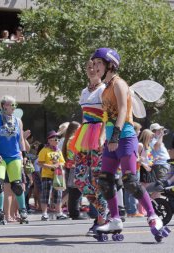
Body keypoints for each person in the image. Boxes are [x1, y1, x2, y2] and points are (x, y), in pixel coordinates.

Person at [92, 48, 168, 240]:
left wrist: (115, 136)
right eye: (95, 63)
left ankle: (153, 216)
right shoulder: (105, 88)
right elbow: (107, 116)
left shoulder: (119, 83)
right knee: (105, 180)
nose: (96, 67)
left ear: (110, 64)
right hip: (111, 140)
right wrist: (104, 137)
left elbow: (124, 110)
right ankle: (115, 219)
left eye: (99, 63)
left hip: (125, 138)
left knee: (130, 181)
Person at [70, 59, 108, 235]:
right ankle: (103, 210)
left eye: (94, 67)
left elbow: (107, 115)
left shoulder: (104, 89)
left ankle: (101, 218)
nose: (92, 70)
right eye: (88, 67)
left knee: (96, 178)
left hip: (99, 133)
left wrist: (103, 136)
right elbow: (84, 115)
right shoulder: (84, 91)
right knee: (79, 179)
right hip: (85, 134)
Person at [0, 95, 28, 224]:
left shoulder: (18, 121)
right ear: (4, 106)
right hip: (0, 156)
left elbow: (21, 139)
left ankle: (22, 210)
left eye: (14, 104)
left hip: (14, 156)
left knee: (17, 185)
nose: (13, 107)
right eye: (11, 104)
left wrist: (25, 155)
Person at [38, 130, 67, 221]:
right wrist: (51, 166)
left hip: (57, 176)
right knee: (45, 195)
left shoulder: (58, 151)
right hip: (47, 175)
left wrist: (60, 166)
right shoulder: (44, 150)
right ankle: (44, 214)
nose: (57, 141)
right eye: (55, 139)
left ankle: (59, 213)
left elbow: (62, 162)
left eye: (58, 139)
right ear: (49, 140)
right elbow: (40, 163)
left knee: (58, 194)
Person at [62, 121, 86, 220]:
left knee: (73, 191)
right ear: (75, 129)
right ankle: (75, 213)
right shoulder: (73, 139)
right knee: (75, 190)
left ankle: (74, 212)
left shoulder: (69, 139)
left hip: (71, 166)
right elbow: (74, 154)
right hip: (74, 166)